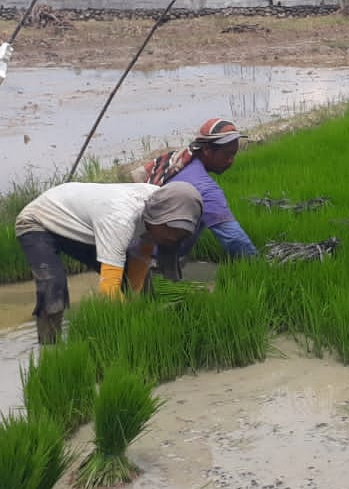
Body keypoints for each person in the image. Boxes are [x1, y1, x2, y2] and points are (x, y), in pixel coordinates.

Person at [14, 180, 202, 344]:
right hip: (38, 220)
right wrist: (130, 330)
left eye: (181, 234)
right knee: (53, 288)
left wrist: (133, 299)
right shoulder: (120, 219)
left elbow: (142, 255)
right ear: (157, 220)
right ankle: (49, 346)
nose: (174, 238)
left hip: (83, 225)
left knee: (140, 280)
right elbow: (109, 288)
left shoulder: (163, 203)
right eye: (170, 231)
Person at [135, 117, 258, 268]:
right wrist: (259, 266)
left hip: (134, 239)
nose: (231, 161)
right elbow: (234, 239)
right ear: (206, 150)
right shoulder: (205, 188)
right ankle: (161, 267)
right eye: (227, 155)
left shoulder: (179, 163)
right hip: (149, 254)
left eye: (234, 155)